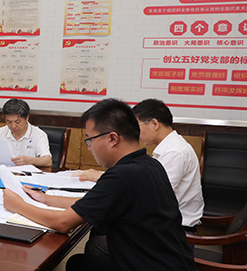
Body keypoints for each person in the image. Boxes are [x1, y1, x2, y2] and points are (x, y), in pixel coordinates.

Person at [3, 98, 200, 271]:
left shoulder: (123, 175)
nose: (89, 147)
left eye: (89, 139)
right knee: (79, 264)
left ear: (112, 138)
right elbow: (92, 202)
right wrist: (44, 199)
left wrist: (18, 205)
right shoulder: (145, 165)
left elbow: (63, 223)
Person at [72, 98, 204, 230]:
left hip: (174, 227)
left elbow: (150, 192)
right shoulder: (169, 147)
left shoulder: (174, 152)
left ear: (154, 124)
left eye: (137, 125)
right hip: (161, 221)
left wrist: (101, 178)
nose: (136, 131)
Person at [0, 98, 51, 167]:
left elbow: (48, 161)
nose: (13, 126)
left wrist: (29, 160)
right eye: (9, 122)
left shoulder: (39, 134)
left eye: (17, 122)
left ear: (27, 118)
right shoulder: (1, 132)